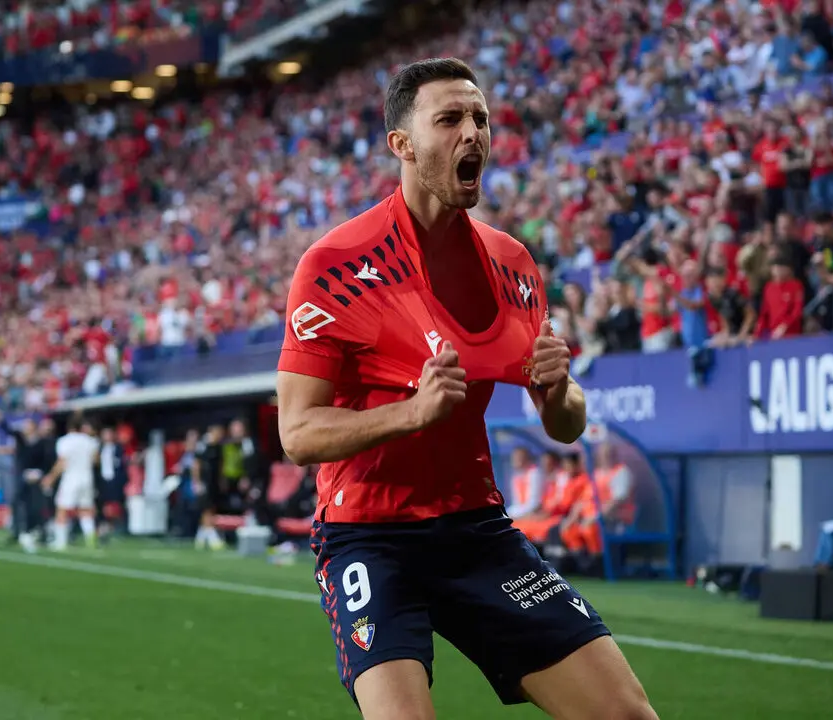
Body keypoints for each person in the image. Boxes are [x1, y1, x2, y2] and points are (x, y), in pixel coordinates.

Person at [277, 59, 655, 720]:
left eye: (479, 118)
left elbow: (566, 425)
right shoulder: (334, 266)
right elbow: (299, 433)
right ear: (402, 144)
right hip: (369, 536)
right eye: (450, 119)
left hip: (476, 531)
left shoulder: (513, 263)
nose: (472, 133)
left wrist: (559, 390)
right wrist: (412, 412)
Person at [1, 414, 53, 553]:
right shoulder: (21, 439)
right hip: (21, 477)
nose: (25, 428)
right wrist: (0, 420)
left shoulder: (41, 442)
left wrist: (40, 473)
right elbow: (9, 430)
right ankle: (17, 532)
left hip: (36, 478)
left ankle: (37, 531)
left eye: (28, 426)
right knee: (17, 503)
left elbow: (46, 460)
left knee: (36, 506)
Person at [45, 419, 100, 551]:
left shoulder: (64, 441)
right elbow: (96, 461)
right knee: (85, 510)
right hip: (87, 478)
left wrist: (51, 477)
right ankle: (90, 538)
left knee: (62, 510)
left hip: (70, 478)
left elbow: (62, 462)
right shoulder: (90, 441)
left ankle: (60, 542)